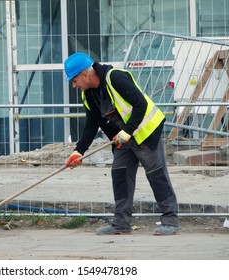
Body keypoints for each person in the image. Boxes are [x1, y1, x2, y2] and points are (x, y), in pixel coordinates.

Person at [63, 52, 180, 236]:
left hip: (145, 132)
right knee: (120, 176)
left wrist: (128, 131)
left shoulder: (115, 77)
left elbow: (140, 103)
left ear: (85, 74)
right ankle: (121, 224)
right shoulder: (89, 95)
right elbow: (91, 125)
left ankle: (170, 221)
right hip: (122, 139)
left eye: (74, 79)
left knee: (156, 175)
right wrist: (78, 151)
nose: (74, 85)